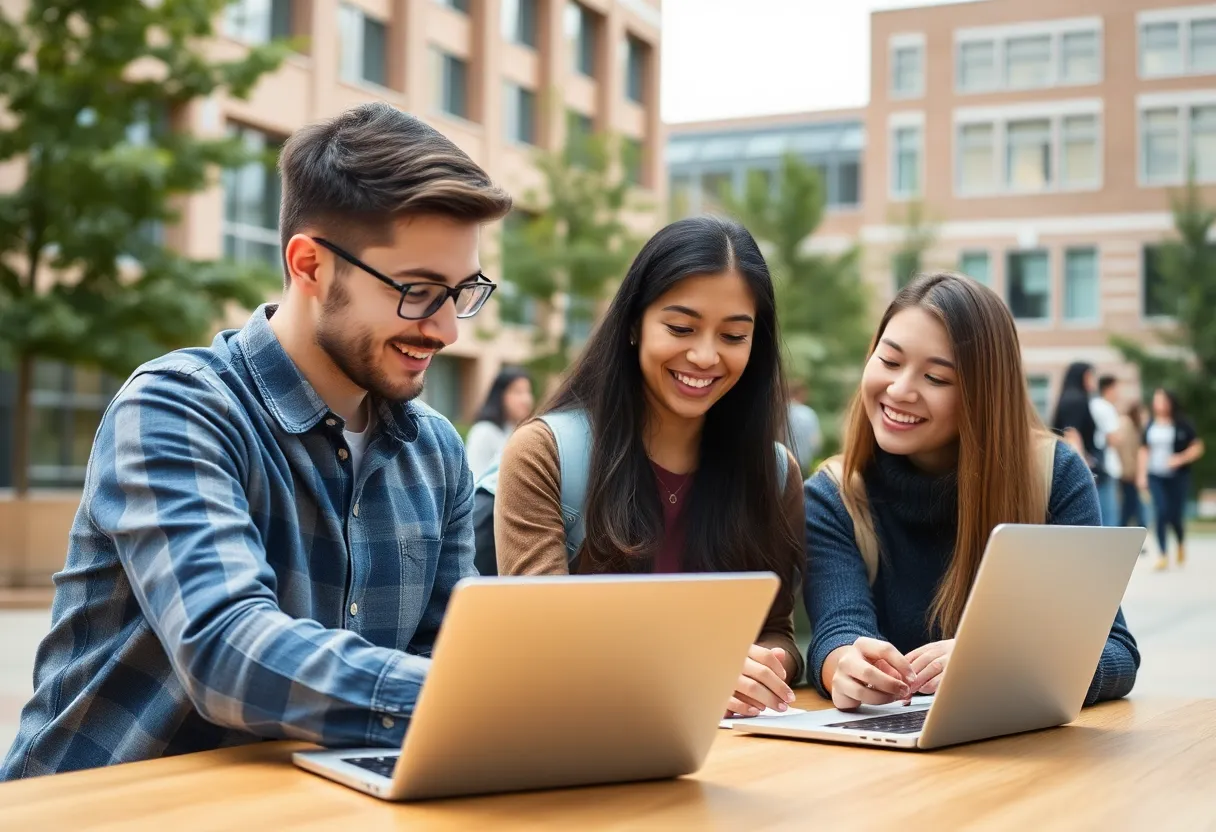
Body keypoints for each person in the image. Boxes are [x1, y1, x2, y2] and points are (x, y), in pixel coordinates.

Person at [2, 103, 513, 779]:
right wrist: (475, 698)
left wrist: (522, 702)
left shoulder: (435, 452)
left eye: (462, 291)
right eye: (418, 291)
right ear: (310, 265)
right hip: (101, 810)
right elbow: (226, 652)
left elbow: (447, 656)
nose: (448, 330)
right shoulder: (177, 408)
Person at [493, 216, 805, 719]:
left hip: (733, 755)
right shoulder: (542, 454)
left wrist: (764, 667)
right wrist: (694, 667)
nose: (705, 356)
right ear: (635, 324)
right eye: (680, 328)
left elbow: (777, 631)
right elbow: (542, 636)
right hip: (592, 747)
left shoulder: (774, 473)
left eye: (733, 336)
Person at [805, 273, 1139, 712]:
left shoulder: (1053, 476)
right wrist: (843, 665)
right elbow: (837, 630)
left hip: (1028, 759)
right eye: (889, 361)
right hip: (885, 757)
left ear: (984, 395)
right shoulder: (834, 496)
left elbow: (1114, 650)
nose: (900, 390)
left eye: (937, 378)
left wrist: (1002, 669)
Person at [1137, 388, 1205, 571]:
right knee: (1160, 511)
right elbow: (1144, 450)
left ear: (1170, 402)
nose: (1157, 403)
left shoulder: (1182, 423)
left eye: (1161, 400)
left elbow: (1197, 447)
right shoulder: (1151, 424)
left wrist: (1180, 459)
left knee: (1174, 515)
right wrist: (1141, 474)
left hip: (1177, 476)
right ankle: (1162, 554)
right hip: (1156, 475)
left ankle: (1181, 542)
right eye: (1156, 399)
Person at [464, 367, 535, 480]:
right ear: (500, 395)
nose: (526, 399)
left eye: (528, 392)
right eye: (518, 392)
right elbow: (474, 479)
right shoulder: (483, 432)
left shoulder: (519, 431)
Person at [1089, 374, 1124, 526]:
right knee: (1109, 513)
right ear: (1108, 389)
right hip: (1107, 465)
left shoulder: (1092, 404)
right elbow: (1113, 438)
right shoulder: (1106, 407)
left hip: (1096, 462)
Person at [1114, 401, 1147, 531]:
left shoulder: (1132, 426)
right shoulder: (1127, 425)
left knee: (1131, 507)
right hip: (1128, 474)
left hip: (1129, 473)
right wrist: (1129, 472)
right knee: (1129, 507)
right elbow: (1126, 451)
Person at [787, 379, 822, 475]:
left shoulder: (779, 413)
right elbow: (816, 443)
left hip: (782, 463)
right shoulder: (808, 413)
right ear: (801, 394)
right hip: (802, 466)